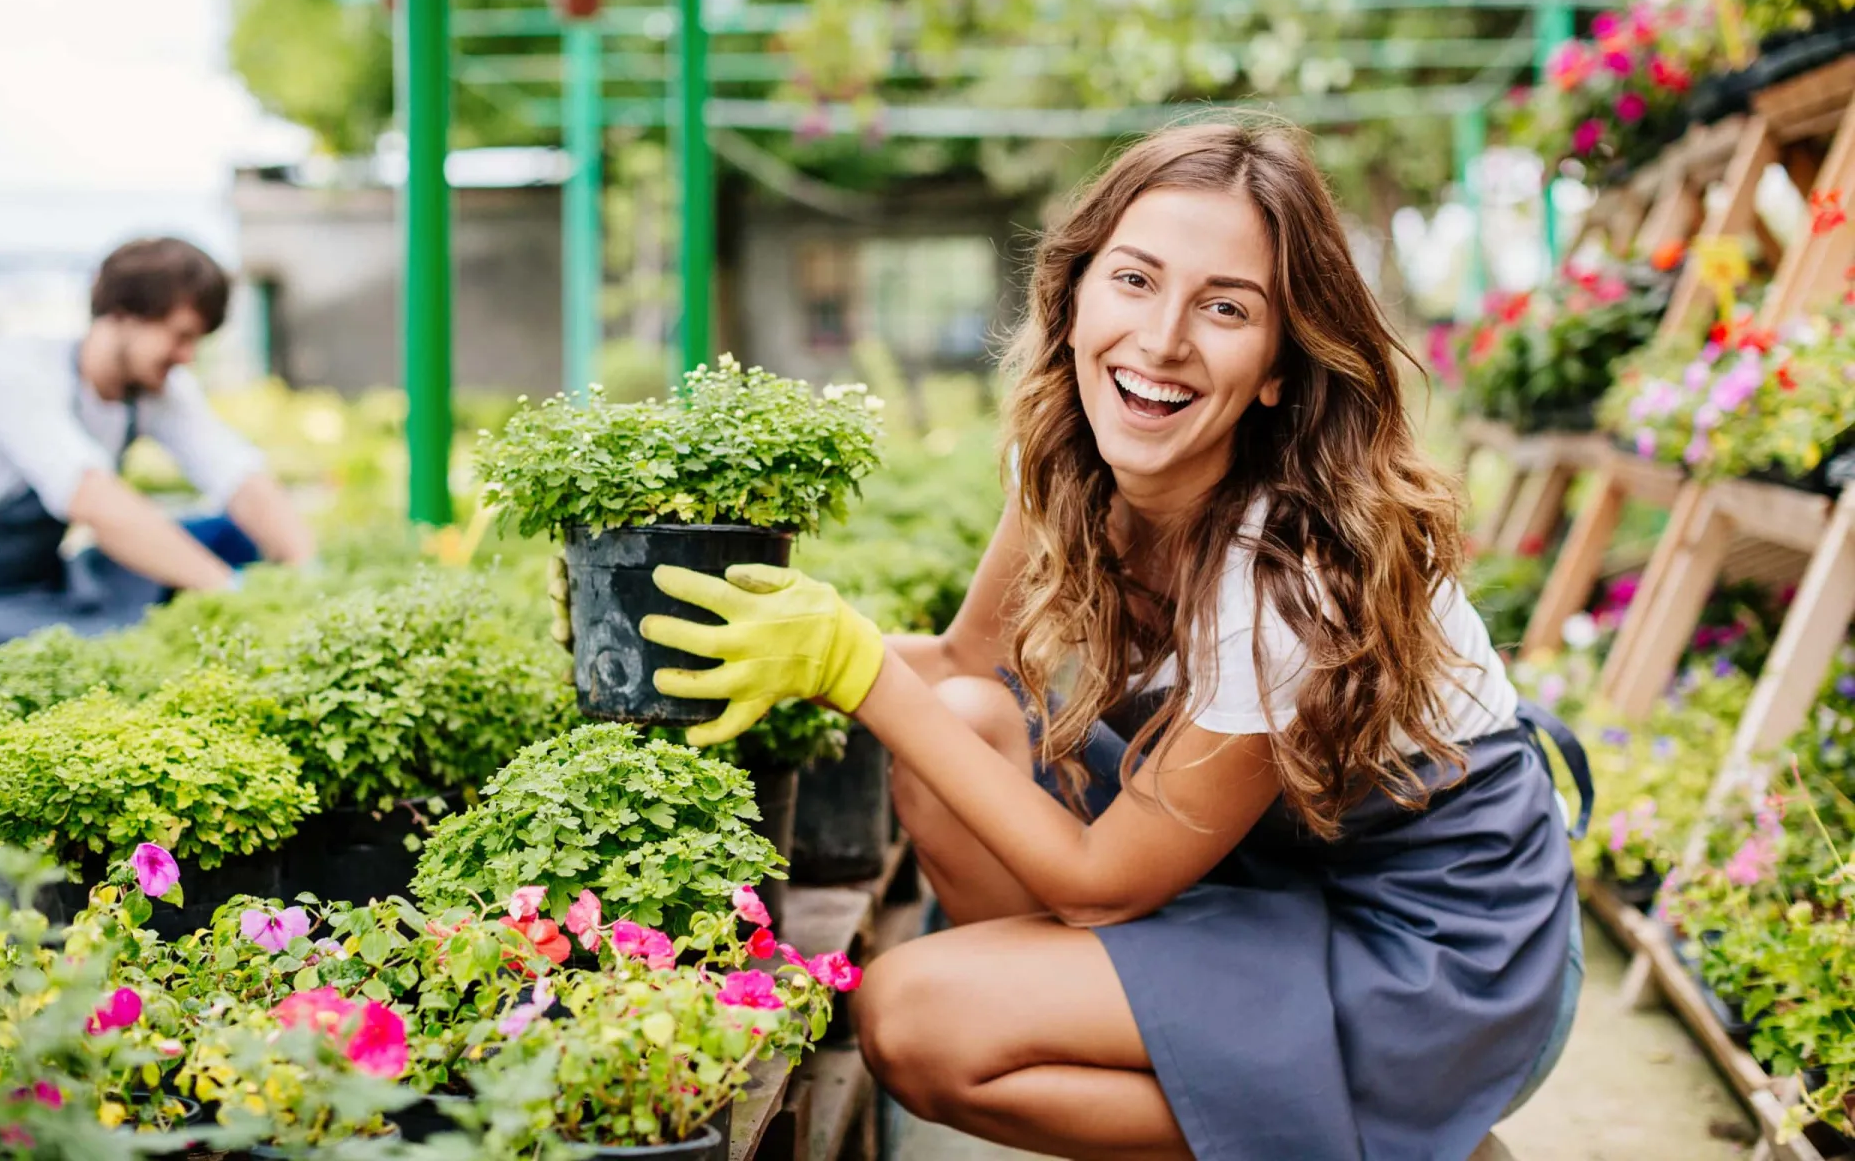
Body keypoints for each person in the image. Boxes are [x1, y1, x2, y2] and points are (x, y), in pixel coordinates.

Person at [635, 119, 1591, 1160]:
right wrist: (719, 648)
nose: (1164, 339)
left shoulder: (1291, 566)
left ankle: (1371, 1135)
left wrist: (853, 664)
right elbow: (963, 668)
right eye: (1135, 280)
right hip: (1276, 873)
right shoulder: (1073, 450)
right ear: (1078, 290)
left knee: (915, 1018)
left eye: (1225, 307)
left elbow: (1102, 878)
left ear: (1278, 364)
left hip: (1439, 951)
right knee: (961, 723)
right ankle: (1209, 1065)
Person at [0, 237, 315, 656]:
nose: (187, 356)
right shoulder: (13, 372)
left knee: (225, 534)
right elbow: (94, 501)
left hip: (40, 576)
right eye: (181, 335)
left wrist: (308, 572)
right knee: (84, 652)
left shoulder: (153, 388)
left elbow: (236, 473)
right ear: (122, 315)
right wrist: (227, 590)